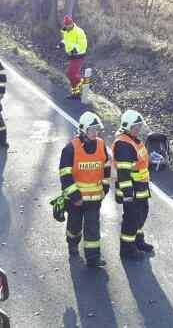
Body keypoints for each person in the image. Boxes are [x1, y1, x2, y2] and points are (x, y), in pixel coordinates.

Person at [59, 112, 110, 267]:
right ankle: (72, 243)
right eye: (92, 130)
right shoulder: (70, 148)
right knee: (74, 225)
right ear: (83, 130)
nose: (95, 133)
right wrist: (76, 197)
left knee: (93, 229)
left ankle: (93, 259)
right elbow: (65, 176)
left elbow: (106, 167)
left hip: (94, 199)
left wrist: (105, 188)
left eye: (97, 129)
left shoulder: (101, 145)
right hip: (76, 201)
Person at [113, 109, 153, 259]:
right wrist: (128, 194)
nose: (138, 129)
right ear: (127, 126)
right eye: (135, 126)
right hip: (132, 190)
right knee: (131, 219)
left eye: (139, 126)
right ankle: (127, 249)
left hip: (141, 187)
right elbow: (123, 173)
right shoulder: (124, 144)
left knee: (140, 215)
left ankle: (138, 241)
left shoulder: (134, 140)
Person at [57, 15, 88, 99]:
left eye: (69, 24)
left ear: (72, 23)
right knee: (71, 74)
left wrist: (75, 50)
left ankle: (83, 82)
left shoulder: (79, 32)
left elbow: (83, 44)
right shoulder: (65, 31)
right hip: (72, 56)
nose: (68, 26)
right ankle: (76, 93)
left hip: (79, 56)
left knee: (71, 74)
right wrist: (62, 43)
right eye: (66, 25)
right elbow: (67, 40)